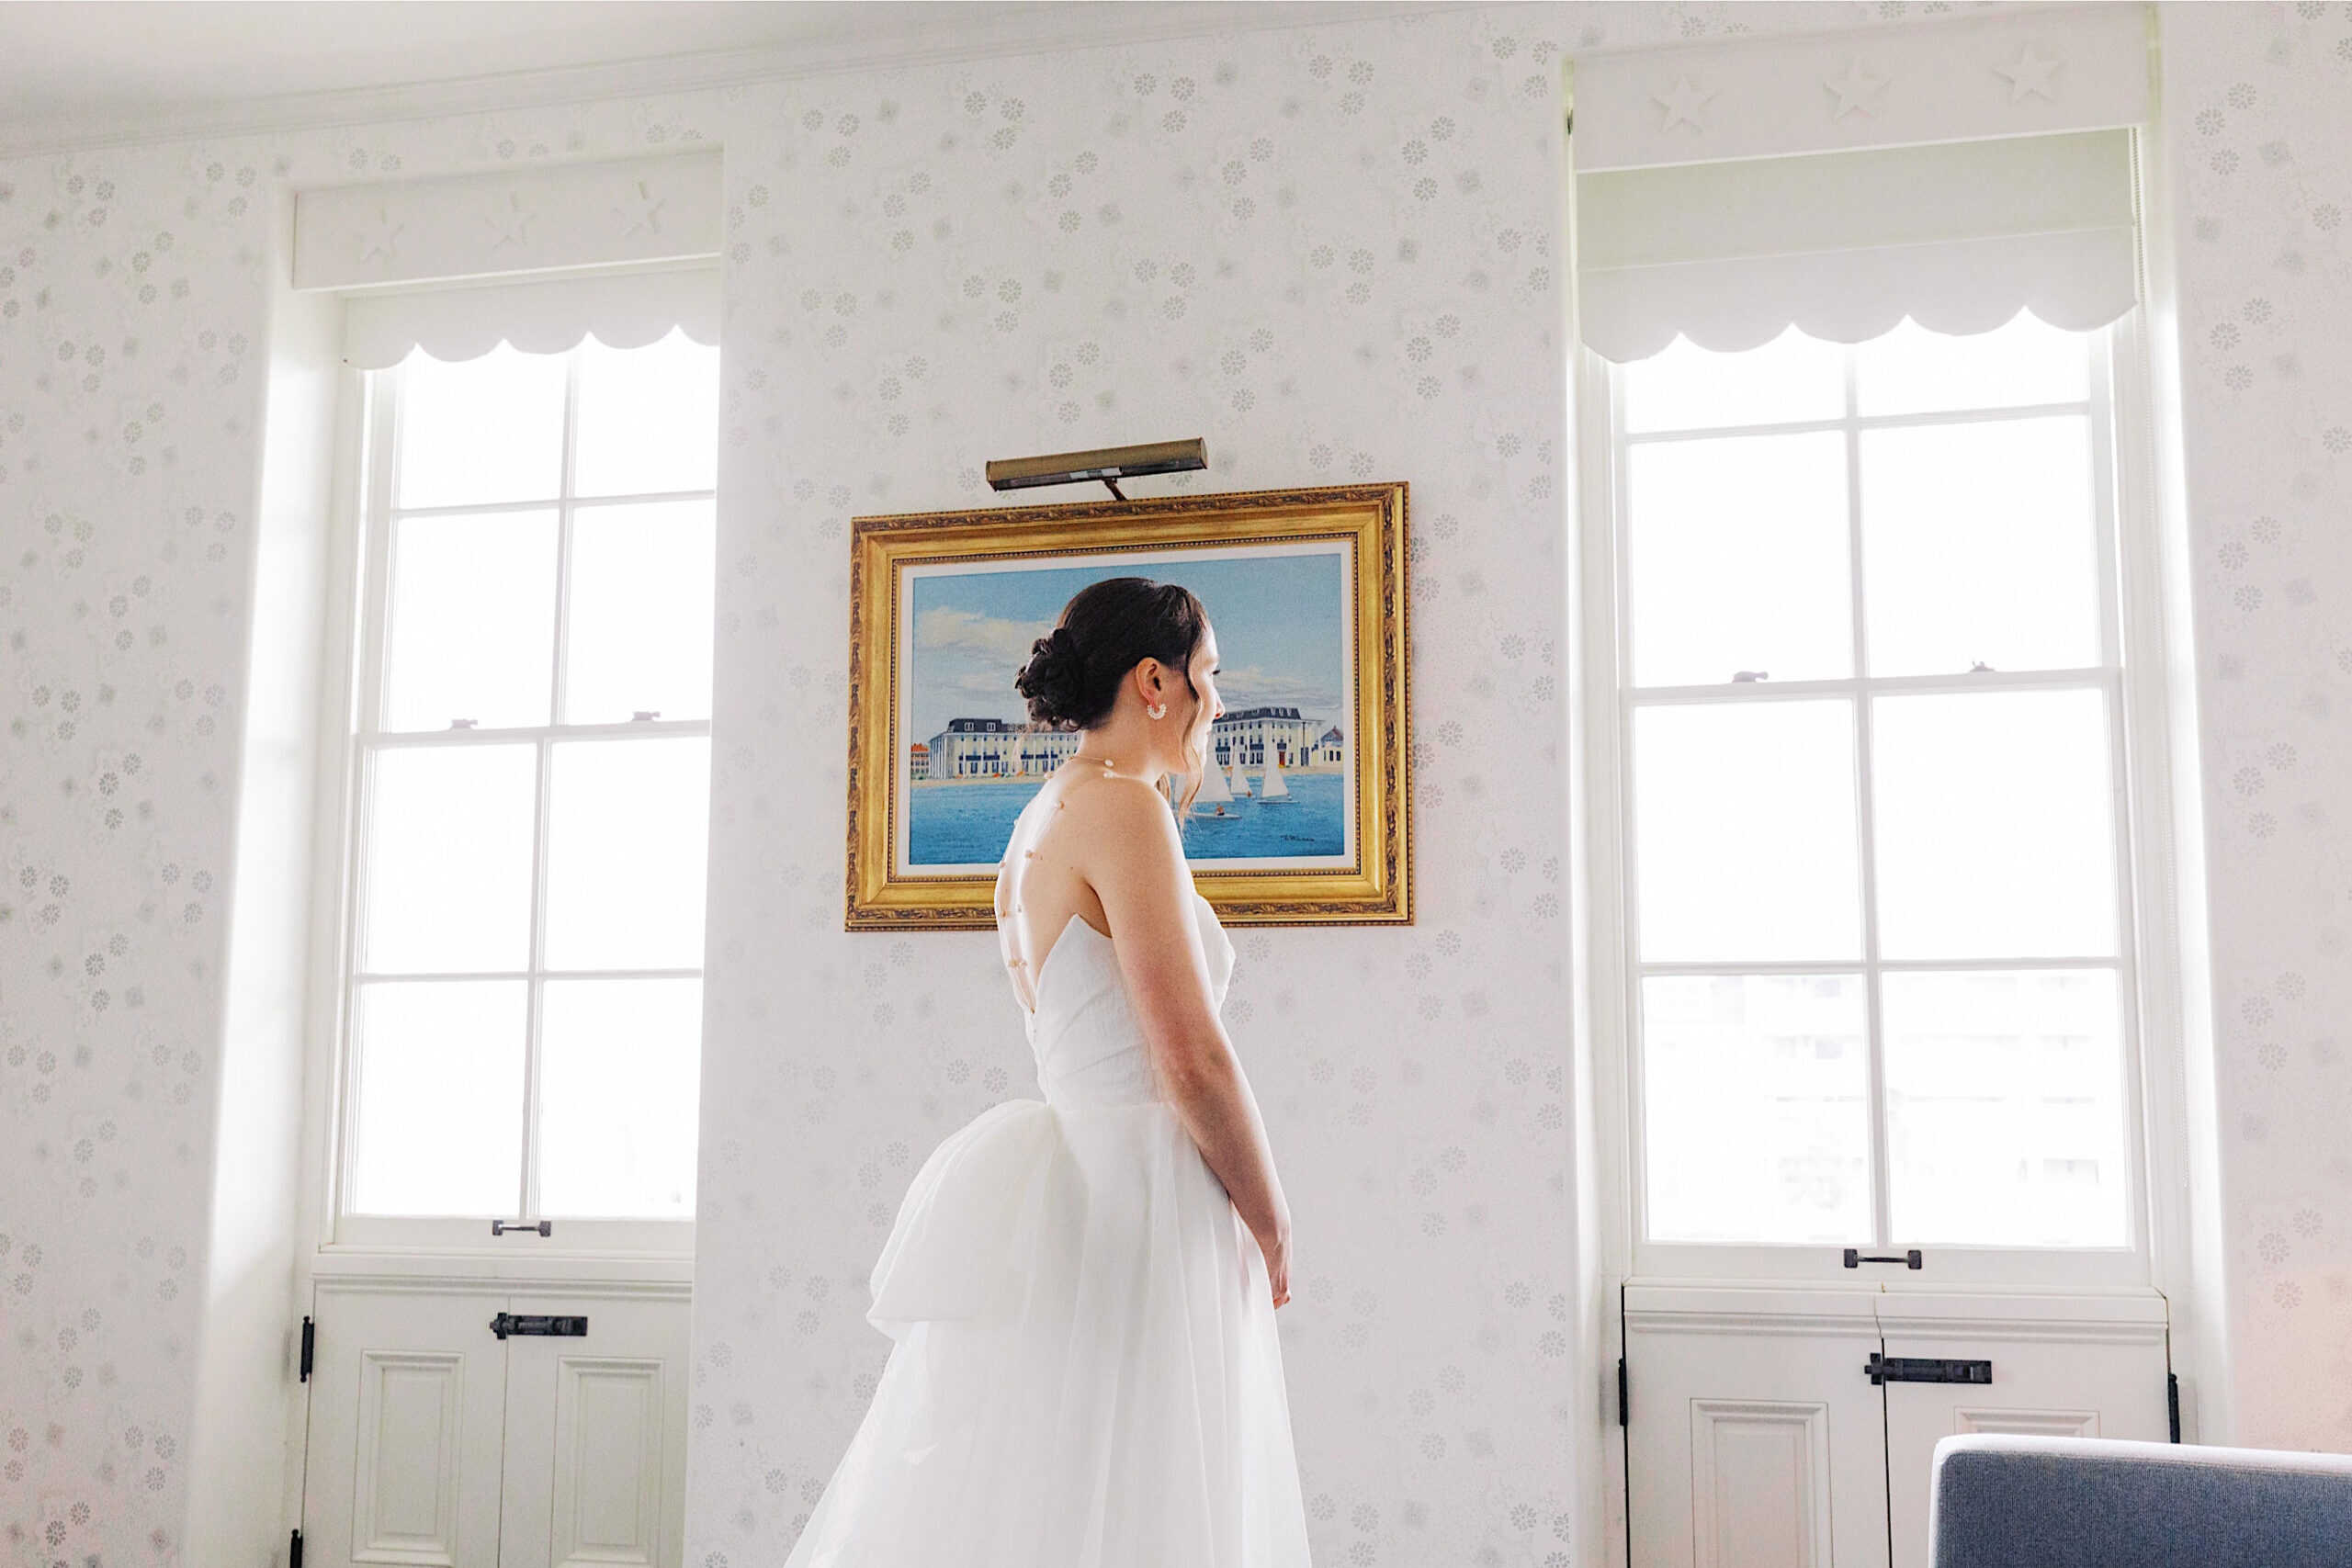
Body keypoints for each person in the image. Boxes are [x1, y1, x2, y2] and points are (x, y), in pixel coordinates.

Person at [779, 576, 1314, 1567]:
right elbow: (1189, 1055)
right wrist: (1271, 1217)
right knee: (1151, 1493)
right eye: (1211, 675)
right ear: (1154, 680)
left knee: (1073, 1489)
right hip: (1143, 1191)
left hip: (1084, 1184)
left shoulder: (1041, 815)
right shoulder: (1122, 809)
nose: (1221, 701)